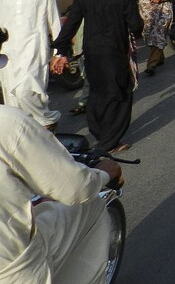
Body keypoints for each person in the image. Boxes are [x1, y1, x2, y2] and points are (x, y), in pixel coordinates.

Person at [0, 102, 122, 284]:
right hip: (14, 271)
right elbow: (76, 187)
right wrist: (104, 174)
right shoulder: (8, 122)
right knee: (90, 204)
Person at [52, 0, 143, 154]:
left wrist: (61, 50)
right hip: (115, 52)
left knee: (97, 91)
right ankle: (109, 142)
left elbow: (71, 23)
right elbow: (136, 25)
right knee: (119, 94)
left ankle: (99, 133)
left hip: (91, 52)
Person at [0, 0, 62, 127]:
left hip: (34, 50)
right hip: (8, 54)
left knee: (26, 92)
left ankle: (48, 120)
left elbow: (55, 24)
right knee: (12, 101)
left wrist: (58, 53)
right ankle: (26, 137)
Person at [69, 0, 100, 116]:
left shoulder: (99, 4)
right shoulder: (78, 2)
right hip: (80, 45)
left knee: (90, 76)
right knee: (86, 75)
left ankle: (85, 103)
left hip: (94, 46)